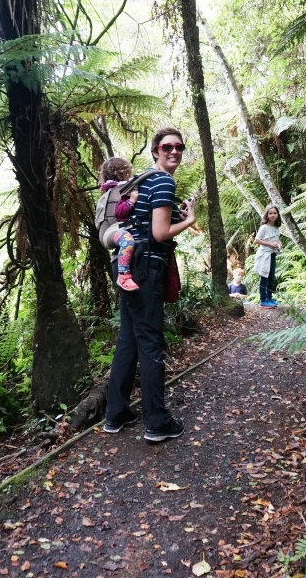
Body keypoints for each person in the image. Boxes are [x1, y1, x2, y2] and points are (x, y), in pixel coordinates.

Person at [103, 128, 195, 442]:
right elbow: (159, 233)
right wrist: (190, 221)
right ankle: (156, 422)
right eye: (167, 146)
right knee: (151, 342)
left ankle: (116, 414)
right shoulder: (165, 181)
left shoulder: (142, 179)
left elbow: (135, 222)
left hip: (124, 263)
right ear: (155, 150)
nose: (174, 152)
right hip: (144, 268)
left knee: (128, 340)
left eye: (179, 147)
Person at [97, 157, 141, 292]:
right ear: (124, 172)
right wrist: (132, 201)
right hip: (109, 232)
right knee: (127, 240)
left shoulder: (114, 189)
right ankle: (123, 275)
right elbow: (120, 212)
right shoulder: (117, 191)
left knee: (139, 222)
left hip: (117, 227)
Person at [254, 205, 282, 308]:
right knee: (264, 276)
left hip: (273, 254)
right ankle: (263, 300)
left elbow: (276, 239)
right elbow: (257, 240)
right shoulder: (264, 227)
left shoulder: (276, 227)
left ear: (278, 214)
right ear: (267, 215)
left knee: (271, 277)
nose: (273, 215)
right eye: (270, 213)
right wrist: (270, 244)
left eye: (275, 213)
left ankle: (269, 298)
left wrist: (279, 242)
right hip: (264, 254)